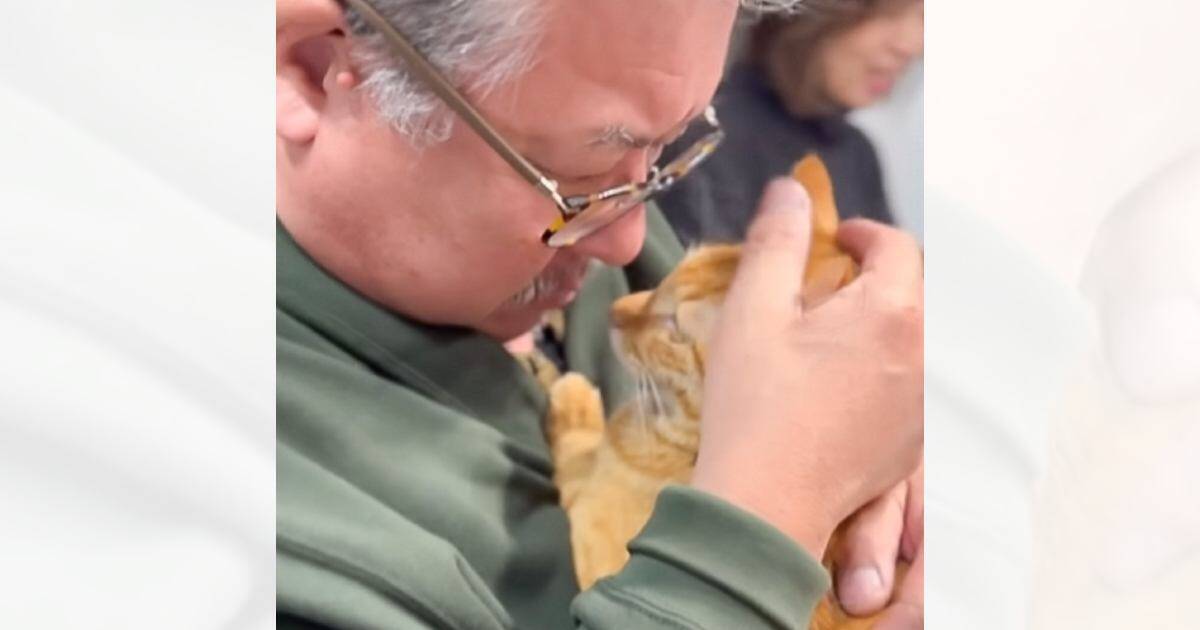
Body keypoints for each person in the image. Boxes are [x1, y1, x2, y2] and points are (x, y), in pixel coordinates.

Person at [275, 0, 924, 628]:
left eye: (666, 149)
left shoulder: (579, 234)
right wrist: (767, 524)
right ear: (311, 68)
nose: (629, 243)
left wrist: (869, 445)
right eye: (582, 175)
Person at [658, 0, 924, 245]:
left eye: (923, 18)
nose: (911, 44)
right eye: (886, 13)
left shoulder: (857, 154)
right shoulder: (700, 129)